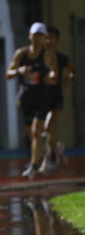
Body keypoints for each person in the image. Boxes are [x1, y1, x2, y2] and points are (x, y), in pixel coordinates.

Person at [6, 22, 57, 180]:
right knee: (31, 133)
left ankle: (34, 166)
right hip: (27, 97)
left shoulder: (48, 54)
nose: (36, 38)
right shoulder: (21, 54)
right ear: (30, 36)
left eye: (40, 35)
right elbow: (8, 74)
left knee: (35, 131)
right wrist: (19, 71)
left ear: (44, 38)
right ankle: (40, 150)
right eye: (34, 34)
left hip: (42, 96)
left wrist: (50, 77)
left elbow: (54, 72)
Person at [39, 26, 76, 172]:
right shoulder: (40, 57)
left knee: (48, 127)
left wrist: (68, 79)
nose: (48, 40)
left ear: (57, 40)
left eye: (51, 38)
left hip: (56, 96)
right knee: (43, 130)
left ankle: (52, 156)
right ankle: (56, 149)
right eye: (46, 37)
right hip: (42, 96)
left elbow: (73, 72)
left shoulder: (62, 58)